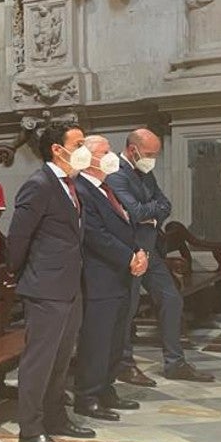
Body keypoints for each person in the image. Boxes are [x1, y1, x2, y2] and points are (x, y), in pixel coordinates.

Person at [6, 121, 94, 442]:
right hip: (45, 285)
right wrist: (19, 270)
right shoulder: (39, 184)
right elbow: (19, 235)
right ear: (57, 149)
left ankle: (56, 417)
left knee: (60, 359)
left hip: (70, 284)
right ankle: (30, 428)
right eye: (79, 142)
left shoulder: (71, 185)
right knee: (39, 361)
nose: (84, 149)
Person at [107, 128, 214, 385]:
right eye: (149, 153)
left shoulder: (145, 170)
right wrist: (150, 212)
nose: (152, 159)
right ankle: (124, 363)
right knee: (128, 309)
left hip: (150, 248)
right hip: (129, 251)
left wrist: (151, 214)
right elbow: (134, 212)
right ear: (133, 150)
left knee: (171, 299)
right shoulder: (116, 174)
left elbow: (165, 204)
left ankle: (175, 362)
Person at [74, 136, 147, 422]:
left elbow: (125, 226)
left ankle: (107, 388)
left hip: (120, 275)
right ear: (89, 158)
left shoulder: (107, 189)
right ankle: (87, 395)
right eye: (104, 152)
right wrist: (128, 257)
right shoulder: (82, 189)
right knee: (97, 339)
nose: (111, 156)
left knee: (117, 336)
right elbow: (95, 234)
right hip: (99, 276)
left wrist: (138, 251)